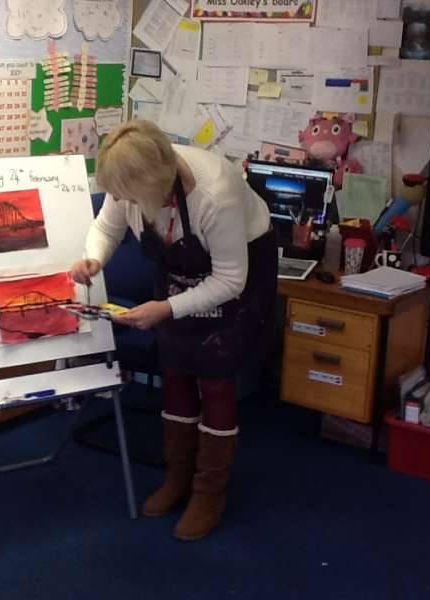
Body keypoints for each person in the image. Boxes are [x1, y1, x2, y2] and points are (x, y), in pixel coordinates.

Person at [70, 120, 277, 541]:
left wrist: (166, 308)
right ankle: (177, 478)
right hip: (180, 271)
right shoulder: (132, 180)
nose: (123, 202)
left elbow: (229, 281)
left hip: (238, 274)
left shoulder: (214, 196)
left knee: (215, 379)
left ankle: (209, 493)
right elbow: (108, 227)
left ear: (155, 188)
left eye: (130, 198)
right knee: (176, 369)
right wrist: (94, 258)